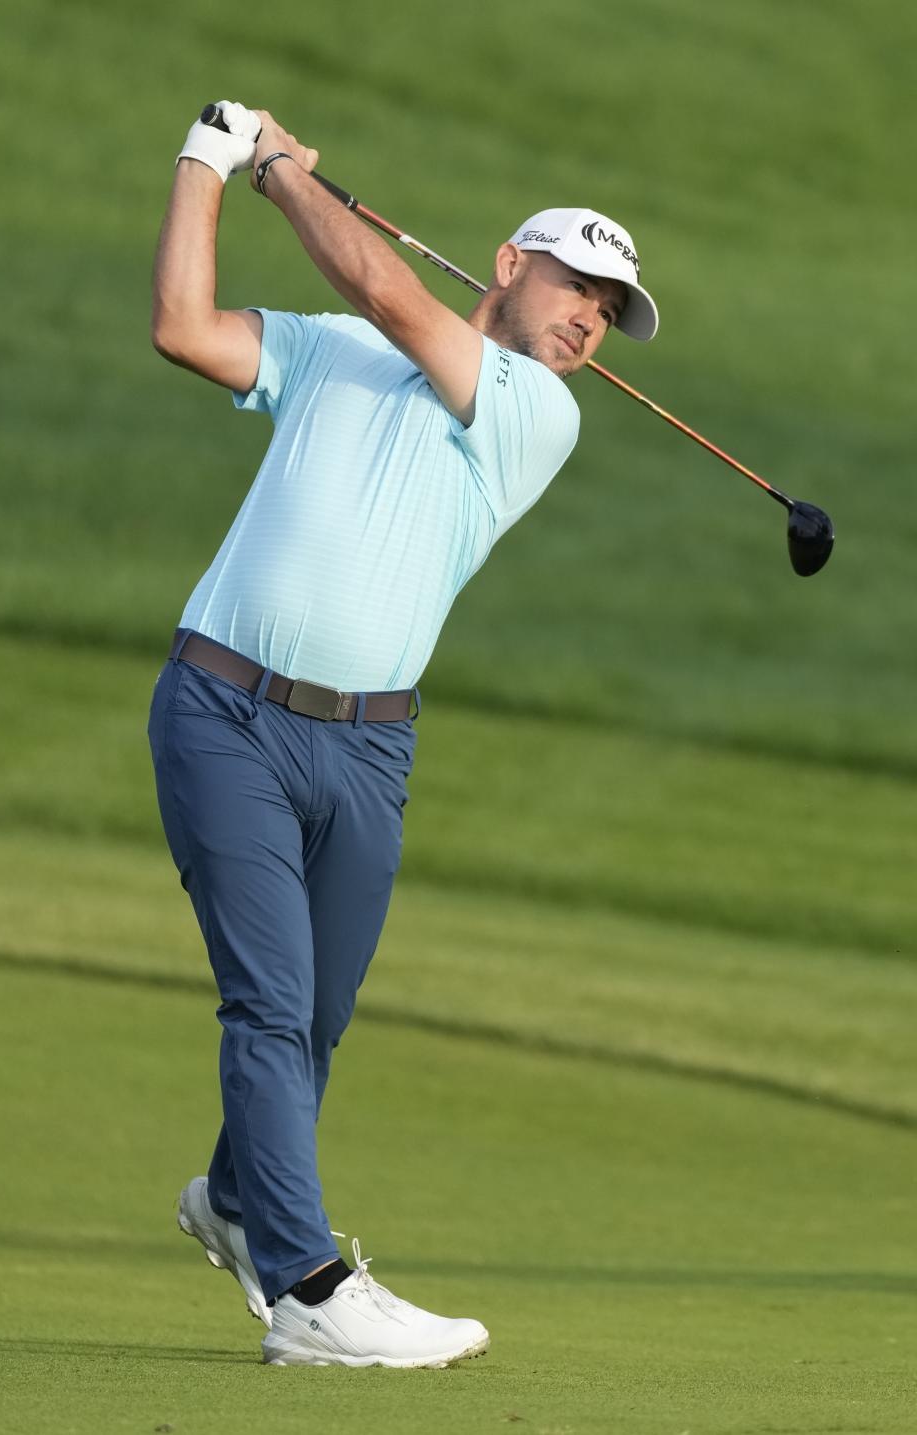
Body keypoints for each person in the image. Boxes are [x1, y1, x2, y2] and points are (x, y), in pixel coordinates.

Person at [148, 100, 658, 1370]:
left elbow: (390, 298)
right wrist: (205, 167)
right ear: (508, 264)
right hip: (224, 714)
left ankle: (231, 1196)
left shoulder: (539, 414)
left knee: (315, 1017)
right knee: (269, 1006)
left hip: (370, 752)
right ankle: (308, 1287)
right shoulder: (327, 348)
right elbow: (184, 329)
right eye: (577, 284)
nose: (591, 317)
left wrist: (277, 169)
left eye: (611, 306)